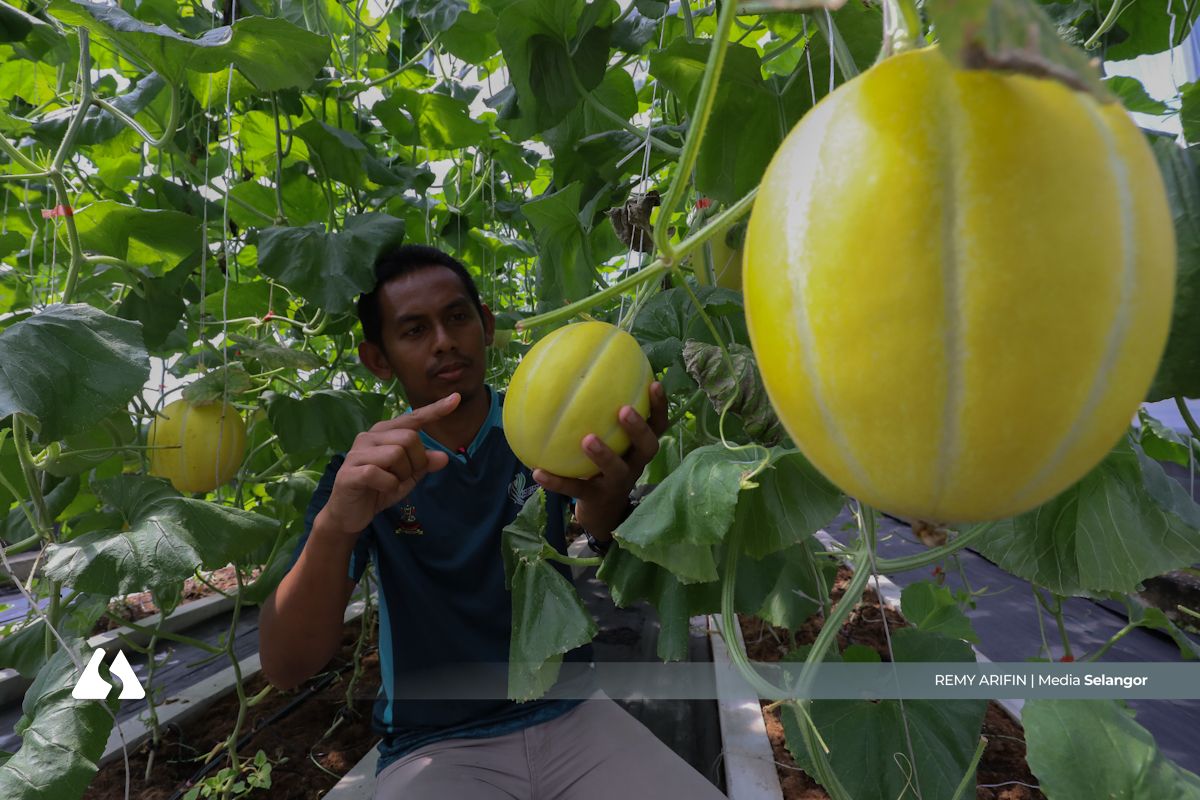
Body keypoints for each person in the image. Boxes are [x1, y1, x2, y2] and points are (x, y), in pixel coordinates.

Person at [258, 244, 727, 799]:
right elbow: (286, 666)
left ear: (485, 324)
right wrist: (337, 525)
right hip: (436, 745)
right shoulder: (363, 475)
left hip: (574, 714)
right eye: (413, 330)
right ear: (378, 359)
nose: (444, 341)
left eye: (457, 317)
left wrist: (609, 505)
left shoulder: (549, 429)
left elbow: (608, 542)